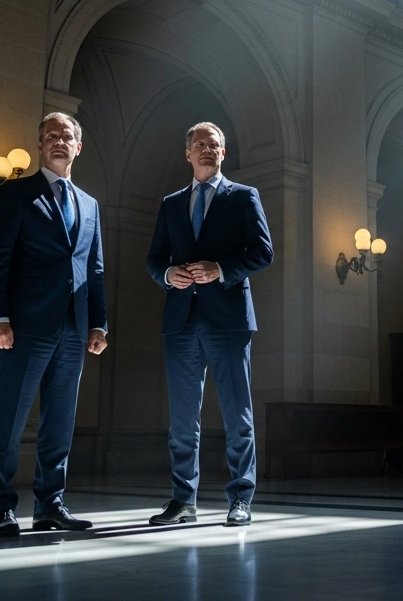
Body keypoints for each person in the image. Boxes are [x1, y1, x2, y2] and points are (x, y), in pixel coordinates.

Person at [0, 112, 108, 536]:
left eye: (66, 136)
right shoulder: (16, 193)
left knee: (60, 422)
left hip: (74, 329)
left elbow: (95, 269)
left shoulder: (89, 204)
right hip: (26, 325)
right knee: (10, 419)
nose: (58, 141)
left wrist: (99, 324)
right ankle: (1, 507)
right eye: (50, 136)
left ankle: (50, 504)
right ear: (39, 147)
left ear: (78, 146)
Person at [145, 122, 273, 527]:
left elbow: (263, 252)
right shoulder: (170, 203)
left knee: (238, 416)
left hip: (229, 322)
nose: (206, 150)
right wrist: (168, 276)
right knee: (183, 420)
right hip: (181, 323)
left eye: (213, 145)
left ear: (223, 153)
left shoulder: (243, 197)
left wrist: (221, 268)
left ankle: (241, 498)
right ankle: (183, 501)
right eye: (199, 145)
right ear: (188, 154)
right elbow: (154, 259)